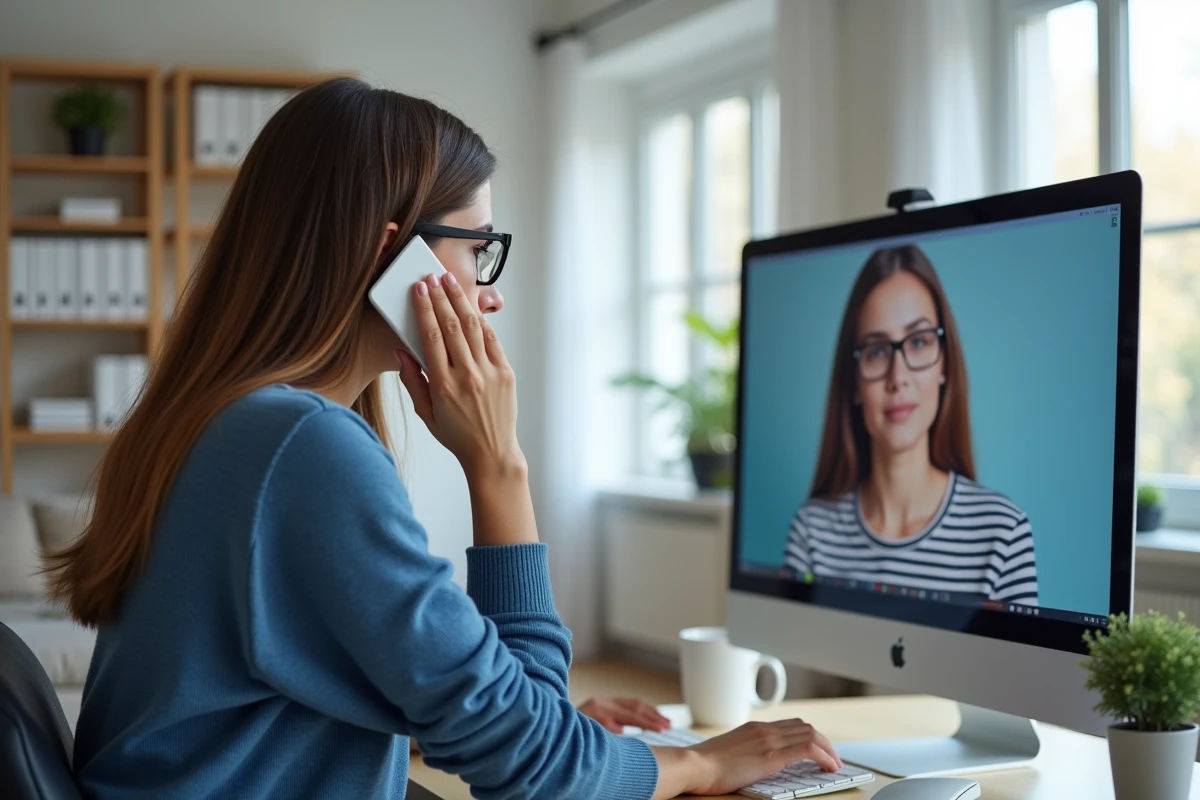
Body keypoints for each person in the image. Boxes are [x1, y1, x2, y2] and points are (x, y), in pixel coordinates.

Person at [47, 78, 842, 800]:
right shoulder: (300, 446)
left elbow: (285, 681)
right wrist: (499, 466)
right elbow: (538, 781)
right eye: (478, 251)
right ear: (393, 257)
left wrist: (520, 723)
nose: (488, 295)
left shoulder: (223, 422)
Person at [784, 245, 1038, 606]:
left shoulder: (1003, 533)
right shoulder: (811, 532)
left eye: (918, 342)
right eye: (875, 351)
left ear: (944, 365)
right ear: (854, 383)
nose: (898, 377)